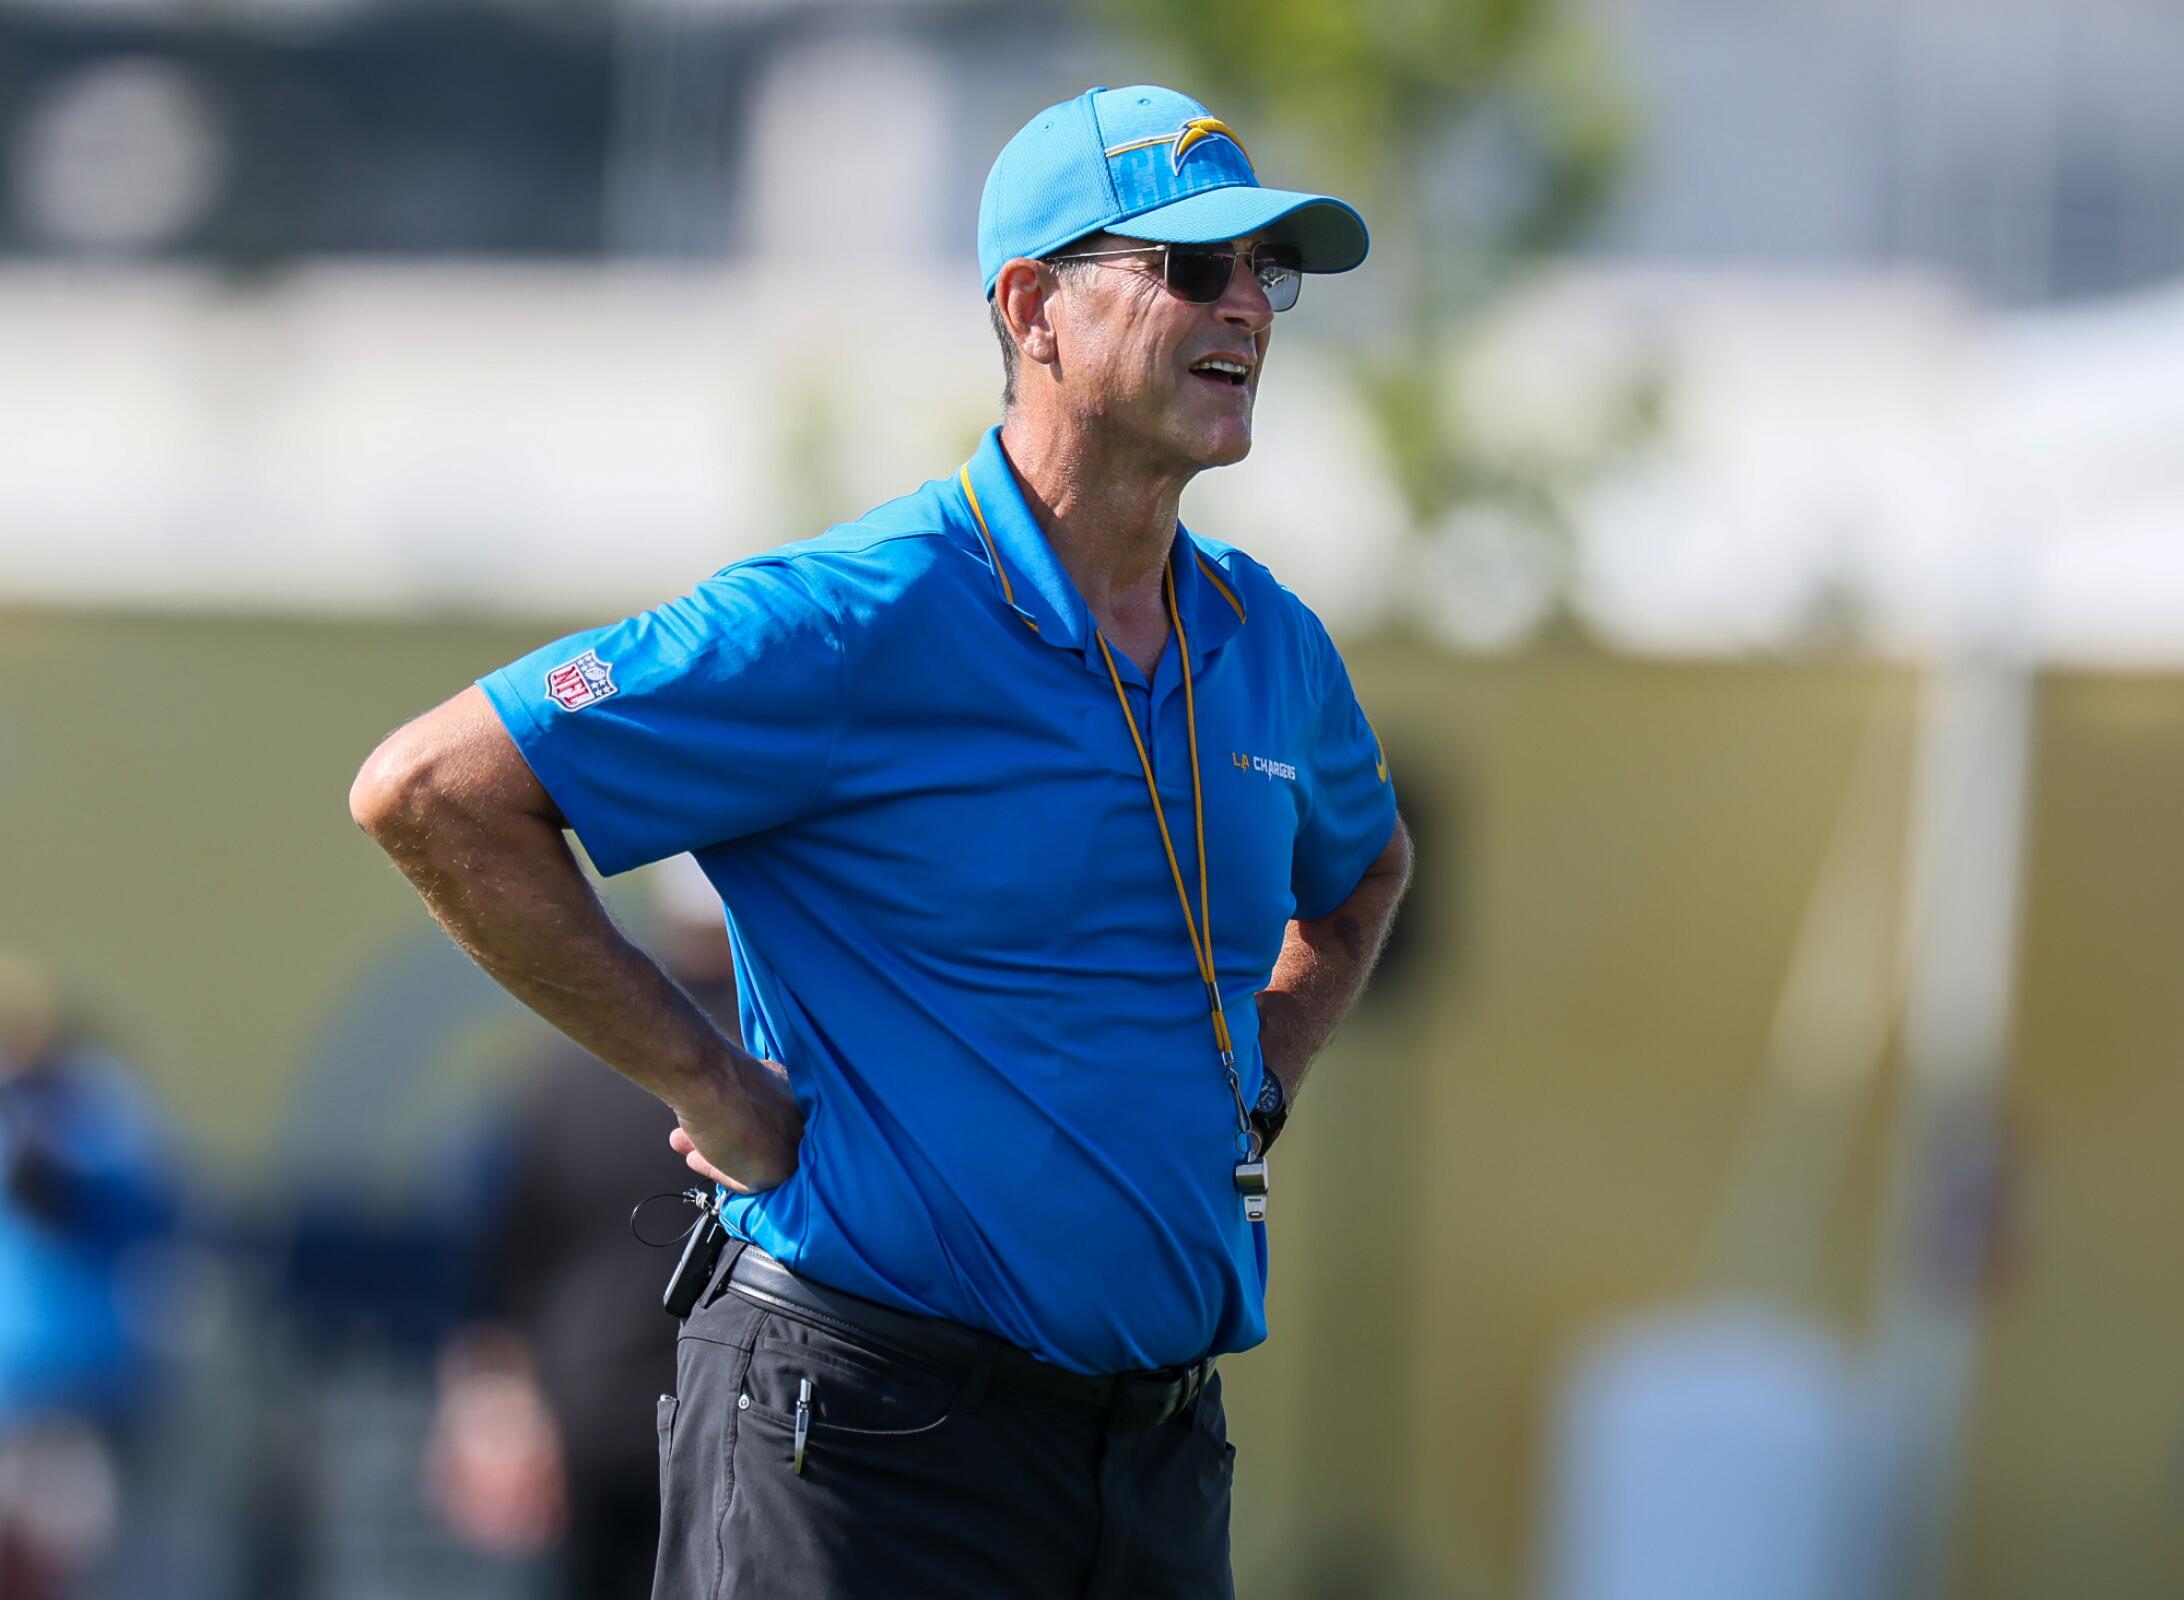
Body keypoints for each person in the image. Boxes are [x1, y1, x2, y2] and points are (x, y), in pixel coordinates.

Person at [350, 83, 1412, 1600]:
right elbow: (430, 789)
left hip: (1159, 1459)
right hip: (863, 1440)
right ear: (1033, 304)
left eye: (1267, 273)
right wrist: (708, 1081)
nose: (1246, 302)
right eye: (1190, 268)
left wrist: (1268, 1070)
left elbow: (1366, 867)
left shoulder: (1272, 642)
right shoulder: (854, 615)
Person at [423, 862, 732, 1598]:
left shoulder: (567, 1067)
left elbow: (499, 1269)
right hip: (729, 1429)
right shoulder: (771, 1068)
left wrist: (491, 1404)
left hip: (590, 1435)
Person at [0, 955, 179, 1600]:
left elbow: (150, 1204)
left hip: (83, 1395)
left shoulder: (101, 1111)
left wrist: (47, 1157)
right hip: (11, 1397)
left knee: (80, 1567)